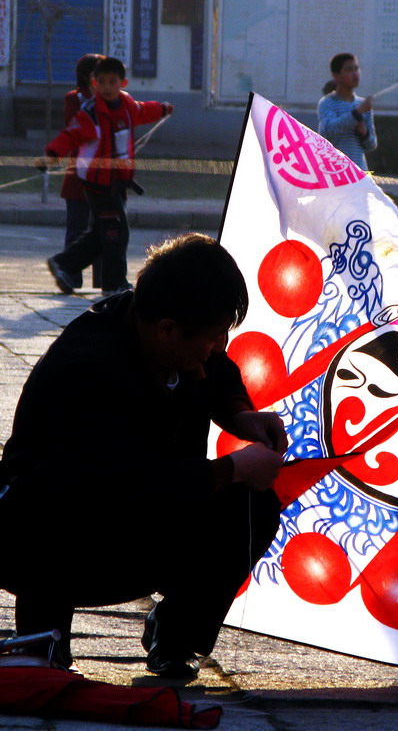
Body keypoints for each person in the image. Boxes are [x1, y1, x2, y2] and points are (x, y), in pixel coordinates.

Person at [0, 233, 287, 679]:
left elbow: (217, 369)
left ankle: (176, 636)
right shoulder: (90, 368)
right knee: (58, 507)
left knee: (254, 507)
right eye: (210, 338)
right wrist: (232, 468)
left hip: (142, 518)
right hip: (52, 538)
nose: (214, 348)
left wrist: (240, 415)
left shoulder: (163, 327)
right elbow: (128, 483)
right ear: (167, 329)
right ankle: (44, 640)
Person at [41, 57, 173, 296]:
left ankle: (64, 263)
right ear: (94, 83)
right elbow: (70, 135)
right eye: (101, 82)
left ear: (122, 82)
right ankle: (113, 283)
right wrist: (52, 154)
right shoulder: (90, 112)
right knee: (115, 231)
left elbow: (143, 111)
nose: (107, 86)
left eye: (112, 82)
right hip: (97, 181)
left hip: (116, 181)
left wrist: (162, 109)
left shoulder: (127, 105)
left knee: (102, 231)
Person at [59, 53, 105, 290]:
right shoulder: (74, 99)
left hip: (108, 178)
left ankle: (104, 281)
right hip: (79, 177)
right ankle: (70, 277)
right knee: (77, 228)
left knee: (107, 229)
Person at [317, 53, 377, 170]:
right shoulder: (327, 103)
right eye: (349, 69)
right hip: (335, 171)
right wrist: (355, 114)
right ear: (336, 75)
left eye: (356, 68)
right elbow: (327, 131)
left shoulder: (362, 104)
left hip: (359, 171)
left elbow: (371, 145)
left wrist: (364, 133)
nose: (355, 74)